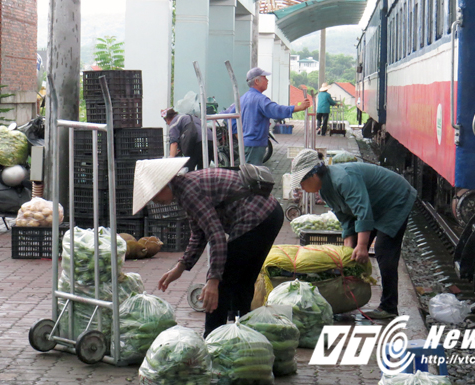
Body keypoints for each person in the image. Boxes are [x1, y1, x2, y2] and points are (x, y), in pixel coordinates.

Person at [132, 157, 283, 336]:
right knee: (241, 282)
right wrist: (180, 267)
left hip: (258, 218)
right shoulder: (184, 188)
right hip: (270, 215)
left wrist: (213, 280)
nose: (155, 202)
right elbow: (199, 233)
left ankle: (213, 339)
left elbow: (216, 236)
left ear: (164, 185)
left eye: (154, 196)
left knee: (221, 283)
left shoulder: (189, 192)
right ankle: (242, 334)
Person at [290, 149, 417, 319]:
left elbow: (362, 212)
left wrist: (363, 245)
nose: (301, 188)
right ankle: (350, 298)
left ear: (313, 175)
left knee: (384, 251)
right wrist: (349, 248)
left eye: (302, 182)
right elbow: (345, 218)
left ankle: (389, 307)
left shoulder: (343, 179)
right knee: (352, 255)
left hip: (394, 198)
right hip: (373, 205)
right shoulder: (325, 190)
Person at [227, 67, 310, 166]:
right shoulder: (260, 99)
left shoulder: (243, 98)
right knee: (252, 175)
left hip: (247, 143)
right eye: (265, 78)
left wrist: (239, 136)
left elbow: (229, 117)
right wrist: (299, 107)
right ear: (257, 81)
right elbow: (276, 110)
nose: (267, 80)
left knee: (248, 172)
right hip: (255, 144)